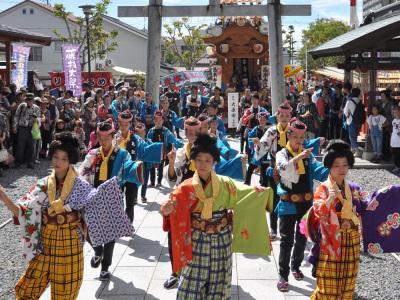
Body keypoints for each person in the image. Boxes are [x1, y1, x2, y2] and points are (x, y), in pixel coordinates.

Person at [0, 132, 128, 299]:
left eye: (64, 158)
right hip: (45, 244)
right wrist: (4, 197)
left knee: (65, 295)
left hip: (69, 244)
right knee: (27, 291)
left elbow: (96, 210)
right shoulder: (43, 184)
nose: (58, 162)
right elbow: (23, 211)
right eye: (55, 157)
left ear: (71, 161)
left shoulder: (81, 186)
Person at [160, 134, 274, 299]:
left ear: (214, 162)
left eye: (207, 160)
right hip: (196, 240)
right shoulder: (185, 188)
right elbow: (172, 205)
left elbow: (244, 193)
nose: (203, 164)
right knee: (189, 285)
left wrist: (259, 192)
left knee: (219, 281)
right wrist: (167, 210)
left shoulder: (225, 183)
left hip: (222, 239)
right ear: (193, 160)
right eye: (199, 159)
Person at [309, 140, 369, 299]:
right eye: (336, 165)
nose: (342, 169)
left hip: (351, 239)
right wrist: (329, 201)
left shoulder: (355, 189)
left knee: (347, 284)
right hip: (331, 241)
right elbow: (318, 212)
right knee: (328, 287)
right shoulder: (323, 188)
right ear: (329, 166)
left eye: (345, 164)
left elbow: (368, 207)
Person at [275, 118, 328, 292]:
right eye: (296, 136)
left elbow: (318, 170)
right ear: (288, 136)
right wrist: (299, 157)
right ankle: (283, 275)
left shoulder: (308, 155)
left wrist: (332, 166)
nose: (299, 140)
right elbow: (284, 170)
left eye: (301, 137)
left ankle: (295, 266)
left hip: (306, 203)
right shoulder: (282, 154)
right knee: (286, 240)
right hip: (288, 203)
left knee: (302, 237)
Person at [79, 119, 133, 280]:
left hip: (113, 197)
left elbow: (130, 171)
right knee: (87, 226)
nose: (103, 142)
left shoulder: (123, 154)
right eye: (100, 139)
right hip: (94, 195)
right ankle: (97, 250)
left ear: (113, 137)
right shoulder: (93, 153)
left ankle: (105, 267)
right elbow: (82, 171)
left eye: (106, 139)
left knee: (110, 234)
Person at [115, 110, 163, 219]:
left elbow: (145, 149)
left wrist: (158, 149)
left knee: (130, 202)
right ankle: (120, 224)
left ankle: (129, 224)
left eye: (126, 124)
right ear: (118, 124)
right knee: (118, 202)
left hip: (131, 173)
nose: (123, 127)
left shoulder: (135, 139)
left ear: (130, 124)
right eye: (121, 124)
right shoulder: (113, 138)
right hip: (117, 174)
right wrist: (116, 145)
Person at [147, 110, 183, 187]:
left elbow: (173, 140)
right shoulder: (151, 131)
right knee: (152, 168)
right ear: (154, 120)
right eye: (156, 120)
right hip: (153, 152)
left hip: (162, 152)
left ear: (163, 120)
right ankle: (152, 182)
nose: (158, 122)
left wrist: (182, 145)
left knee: (160, 168)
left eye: (160, 120)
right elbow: (147, 141)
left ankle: (159, 182)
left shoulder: (166, 131)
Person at [13, 93, 41, 169]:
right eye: (27, 100)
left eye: (30, 100)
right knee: (20, 146)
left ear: (33, 100)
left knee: (32, 146)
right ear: (26, 100)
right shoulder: (22, 106)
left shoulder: (37, 108)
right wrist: (15, 126)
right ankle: (18, 163)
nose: (29, 101)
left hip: (32, 129)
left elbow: (39, 119)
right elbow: (16, 116)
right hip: (22, 128)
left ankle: (30, 162)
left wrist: (36, 120)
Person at [344, 88, 364, 155]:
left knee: (351, 136)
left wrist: (347, 116)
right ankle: (353, 150)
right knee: (355, 136)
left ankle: (357, 151)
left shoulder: (349, 101)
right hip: (359, 121)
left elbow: (345, 112)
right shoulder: (360, 101)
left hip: (352, 121)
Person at [380, 89, 394, 160]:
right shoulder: (381, 104)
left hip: (388, 126)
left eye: (383, 96)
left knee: (387, 141)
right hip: (381, 125)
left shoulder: (391, 104)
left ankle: (388, 156)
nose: (382, 97)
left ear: (387, 96)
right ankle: (383, 154)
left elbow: (392, 116)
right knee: (382, 141)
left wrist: (387, 123)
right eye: (381, 96)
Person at [391, 105, 400, 174]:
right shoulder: (393, 121)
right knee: (395, 154)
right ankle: (397, 167)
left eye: (397, 112)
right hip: (394, 140)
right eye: (394, 112)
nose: (396, 113)